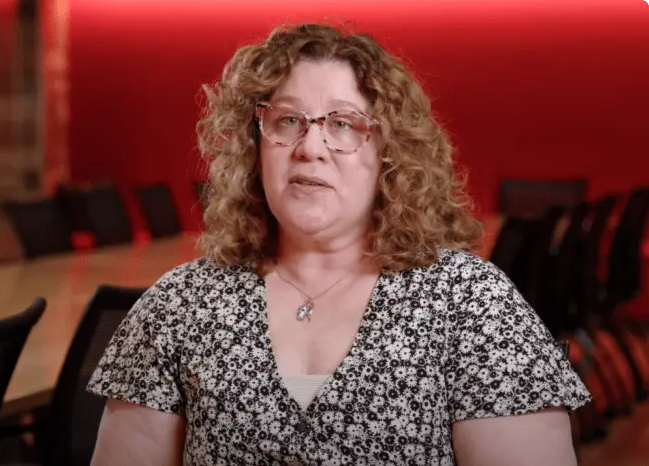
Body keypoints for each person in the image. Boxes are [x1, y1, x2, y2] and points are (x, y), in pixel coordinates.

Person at [87, 22, 591, 466]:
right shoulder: (179, 305)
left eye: (343, 124)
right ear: (254, 145)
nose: (310, 147)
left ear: (391, 153)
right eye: (288, 120)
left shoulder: (472, 304)